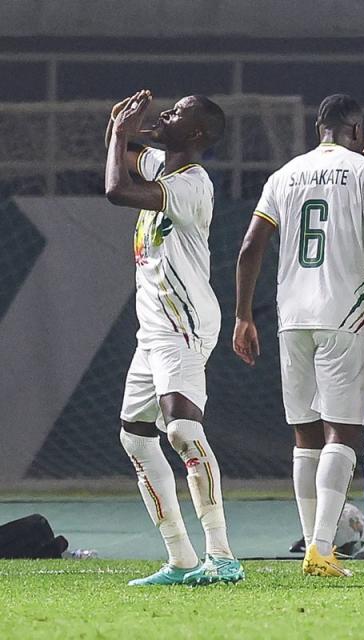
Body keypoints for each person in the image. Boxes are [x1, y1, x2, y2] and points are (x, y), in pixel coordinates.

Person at [234, 93, 364, 578]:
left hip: (291, 316)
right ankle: (321, 548)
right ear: (356, 131)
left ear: (319, 128)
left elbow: (251, 245)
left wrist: (242, 316)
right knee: (344, 431)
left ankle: (315, 544)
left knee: (305, 435)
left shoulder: (285, 174)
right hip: (344, 314)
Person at [105, 90, 242, 586]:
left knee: (182, 432)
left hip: (184, 322)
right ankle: (181, 557)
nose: (166, 114)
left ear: (198, 134)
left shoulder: (192, 183)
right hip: (154, 329)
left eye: (178, 113)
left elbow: (116, 191)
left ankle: (222, 555)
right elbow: (121, 158)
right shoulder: (164, 163)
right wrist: (121, 125)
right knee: (135, 438)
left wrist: (123, 134)